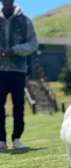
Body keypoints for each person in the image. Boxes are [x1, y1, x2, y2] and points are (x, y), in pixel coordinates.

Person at [0, 0, 38, 150]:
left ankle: (17, 139)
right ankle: (1, 141)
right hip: (0, 71)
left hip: (18, 70)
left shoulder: (25, 20)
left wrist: (15, 50)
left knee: (19, 106)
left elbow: (33, 43)